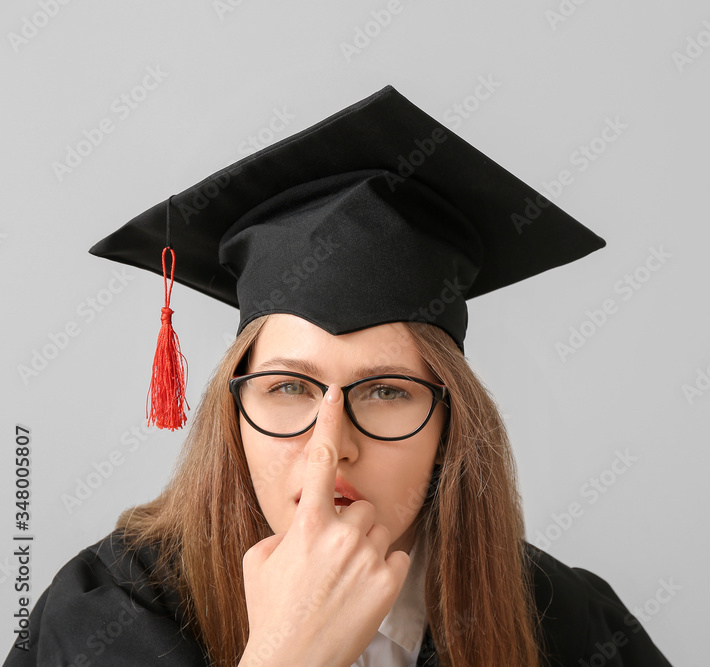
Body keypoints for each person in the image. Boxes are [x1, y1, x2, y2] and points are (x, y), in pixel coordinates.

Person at [4, 86, 672, 667]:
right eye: (289, 387)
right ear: (231, 415)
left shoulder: (571, 628)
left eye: (385, 391)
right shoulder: (111, 614)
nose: (331, 447)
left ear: (451, 426)